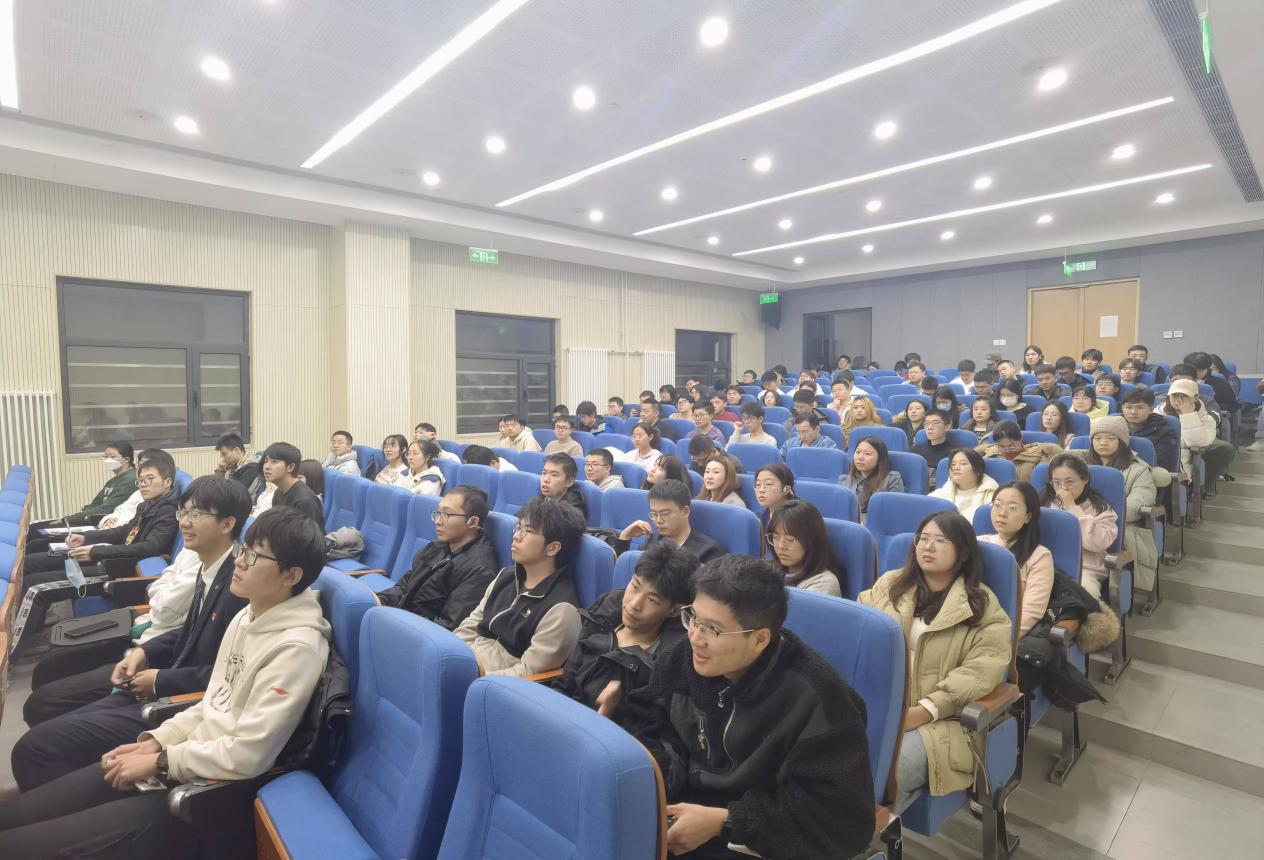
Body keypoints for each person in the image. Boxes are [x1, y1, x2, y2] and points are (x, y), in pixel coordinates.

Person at [0, 506, 330, 858]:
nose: (239, 560)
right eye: (243, 550)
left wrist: (163, 760)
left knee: (17, 846)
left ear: (291, 575)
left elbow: (249, 754)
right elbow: (212, 703)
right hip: (180, 761)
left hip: (202, 797)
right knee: (15, 817)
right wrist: (157, 741)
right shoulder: (248, 615)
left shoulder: (298, 649)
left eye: (254, 555)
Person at [618, 555, 874, 859]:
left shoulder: (819, 700)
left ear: (760, 639)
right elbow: (650, 721)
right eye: (693, 618)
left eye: (713, 629)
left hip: (756, 840)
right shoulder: (684, 658)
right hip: (684, 811)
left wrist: (727, 822)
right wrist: (661, 783)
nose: (695, 637)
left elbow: (841, 823)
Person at [10, 478, 254, 792]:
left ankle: (67, 797)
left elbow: (226, 677)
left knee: (36, 746)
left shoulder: (237, 586)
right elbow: (189, 632)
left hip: (179, 703)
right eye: (183, 513)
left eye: (196, 515)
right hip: (161, 681)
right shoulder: (211, 568)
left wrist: (159, 679)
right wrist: (144, 652)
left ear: (227, 524)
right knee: (42, 718)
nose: (183, 522)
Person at [859, 510, 1012, 814]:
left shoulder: (982, 607)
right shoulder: (890, 585)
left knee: (877, 770)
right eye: (923, 538)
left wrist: (924, 711)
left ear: (963, 552)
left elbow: (980, 672)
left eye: (941, 540)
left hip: (944, 723)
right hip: (879, 705)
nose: (928, 546)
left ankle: (865, 832)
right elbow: (858, 633)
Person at [15, 457, 181, 654]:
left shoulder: (168, 511)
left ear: (167, 482)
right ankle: (32, 635)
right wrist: (86, 538)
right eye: (141, 480)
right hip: (111, 561)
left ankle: (14, 650)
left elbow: (150, 548)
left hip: (119, 573)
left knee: (35, 588)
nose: (143, 485)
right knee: (33, 568)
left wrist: (95, 551)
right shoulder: (147, 505)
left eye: (150, 479)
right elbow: (123, 532)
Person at [554, 541, 697, 713]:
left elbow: (655, 725)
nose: (634, 604)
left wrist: (614, 712)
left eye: (652, 600)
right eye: (635, 586)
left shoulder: (667, 663)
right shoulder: (602, 617)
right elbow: (564, 684)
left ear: (673, 611)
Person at [455, 497, 586, 677]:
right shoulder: (506, 576)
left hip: (492, 683)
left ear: (553, 548)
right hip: (467, 662)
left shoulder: (561, 610)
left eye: (528, 531)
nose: (516, 536)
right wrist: (450, 655)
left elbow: (527, 672)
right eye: (518, 528)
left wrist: (473, 678)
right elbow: (471, 624)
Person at [378, 485, 498, 629]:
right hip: (402, 619)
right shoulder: (437, 547)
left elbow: (449, 625)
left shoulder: (480, 570)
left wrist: (399, 620)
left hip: (419, 631)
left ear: (472, 522)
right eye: (438, 513)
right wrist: (378, 600)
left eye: (447, 514)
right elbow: (405, 586)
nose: (438, 521)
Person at [1085, 416, 1160, 596]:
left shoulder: (1138, 469)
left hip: (1120, 525)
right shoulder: (1079, 465)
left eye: (1110, 438)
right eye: (1097, 438)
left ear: (1122, 442)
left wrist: (1099, 518)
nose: (1103, 443)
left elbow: (1139, 501)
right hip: (1082, 523)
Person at [979, 481, 1054, 637]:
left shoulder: (1039, 556)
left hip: (1006, 634)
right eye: (997, 505)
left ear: (1028, 517)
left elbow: (1030, 612)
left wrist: (1000, 640)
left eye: (1013, 508)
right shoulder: (978, 543)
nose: (1001, 513)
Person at [1040, 454, 1118, 600]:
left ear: (1085, 480)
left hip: (1085, 569)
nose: (1063, 488)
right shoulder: (1045, 504)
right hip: (1045, 564)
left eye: (1069, 481)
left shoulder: (1101, 509)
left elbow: (1097, 543)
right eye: (1056, 482)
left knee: (1081, 598)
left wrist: (1072, 508)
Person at [32, 442, 136, 532]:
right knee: (35, 527)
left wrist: (68, 519)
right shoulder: (113, 481)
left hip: (102, 524)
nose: (108, 460)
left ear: (126, 459)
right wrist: (76, 516)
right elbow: (95, 504)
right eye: (106, 457)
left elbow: (106, 509)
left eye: (112, 457)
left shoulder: (130, 479)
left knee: (37, 531)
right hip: (91, 519)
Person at [615, 479, 724, 564]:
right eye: (654, 514)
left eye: (665, 514)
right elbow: (628, 572)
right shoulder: (653, 541)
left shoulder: (708, 551)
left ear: (685, 512)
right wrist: (625, 537)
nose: (658, 520)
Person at [1158, 378, 1236, 484]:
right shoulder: (1159, 412)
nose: (1178, 400)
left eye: (1184, 396)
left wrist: (1189, 415)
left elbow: (1199, 442)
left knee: (1225, 449)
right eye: (1174, 396)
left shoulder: (1204, 412)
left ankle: (1201, 486)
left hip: (1185, 465)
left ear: (1195, 398)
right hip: (1167, 461)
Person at [767, 500, 845, 596]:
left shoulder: (823, 583)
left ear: (812, 540)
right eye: (776, 537)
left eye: (791, 539)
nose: (781, 546)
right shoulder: (770, 570)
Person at [840, 436, 904, 522]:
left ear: (879, 459)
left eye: (867, 454)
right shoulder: (844, 481)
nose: (860, 457)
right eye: (858, 452)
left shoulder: (892, 479)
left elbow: (893, 512)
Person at [976, 420, 1062, 482]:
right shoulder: (988, 452)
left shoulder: (1040, 452)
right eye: (1001, 446)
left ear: (1020, 438)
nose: (1007, 449)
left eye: (1011, 445)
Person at [263, 442, 325, 528]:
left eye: (274, 462)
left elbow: (306, 535)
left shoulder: (304, 501)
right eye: (266, 461)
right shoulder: (279, 491)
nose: (266, 466)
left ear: (290, 467)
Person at [1120, 388, 1179, 472]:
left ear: (1151, 409)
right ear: (1122, 408)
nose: (1133, 412)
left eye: (1140, 408)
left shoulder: (1164, 432)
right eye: (1129, 407)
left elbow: (1158, 463)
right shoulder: (1115, 426)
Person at [931, 449, 999, 521]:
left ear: (978, 470)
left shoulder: (991, 497)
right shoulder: (938, 496)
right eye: (953, 464)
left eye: (963, 463)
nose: (956, 468)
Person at [752, 464, 796, 533]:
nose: (761, 490)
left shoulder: (799, 518)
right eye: (758, 484)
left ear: (786, 489)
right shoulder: (757, 518)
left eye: (768, 484)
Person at [540, 453, 587, 517]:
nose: (546, 479)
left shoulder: (570, 514)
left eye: (554, 475)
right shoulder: (540, 500)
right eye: (544, 473)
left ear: (569, 482)